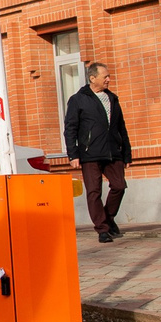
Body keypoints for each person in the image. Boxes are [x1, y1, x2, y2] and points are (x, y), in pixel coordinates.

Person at [62, 63, 132, 242]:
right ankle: (102, 229)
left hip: (113, 151)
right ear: (93, 78)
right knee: (94, 192)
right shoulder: (78, 99)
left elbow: (121, 127)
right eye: (105, 76)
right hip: (89, 153)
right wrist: (73, 154)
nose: (108, 79)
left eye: (108, 76)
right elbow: (70, 128)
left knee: (119, 186)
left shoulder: (113, 98)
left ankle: (108, 219)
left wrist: (126, 154)